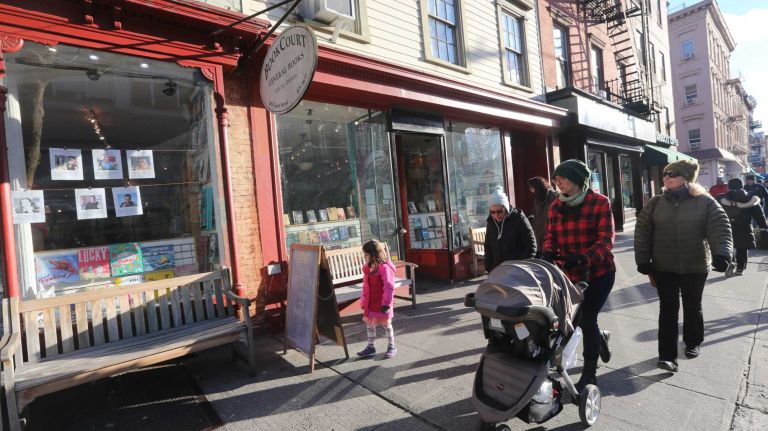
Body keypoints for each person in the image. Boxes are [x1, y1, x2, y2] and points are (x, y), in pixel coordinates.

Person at [634, 160, 732, 372]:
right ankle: (667, 356)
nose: (666, 177)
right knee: (668, 309)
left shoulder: (705, 202)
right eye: (665, 173)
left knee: (692, 305)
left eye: (673, 173)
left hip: (695, 265)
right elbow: (643, 230)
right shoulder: (655, 202)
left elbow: (719, 228)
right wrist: (643, 259)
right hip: (664, 265)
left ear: (687, 177)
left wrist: (722, 253)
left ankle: (693, 342)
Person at [541, 159, 614, 392]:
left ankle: (590, 373)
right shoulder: (555, 206)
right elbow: (550, 235)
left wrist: (584, 258)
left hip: (599, 273)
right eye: (556, 178)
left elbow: (606, 240)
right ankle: (600, 338)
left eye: (562, 177)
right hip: (569, 275)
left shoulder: (600, 203)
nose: (557, 182)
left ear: (578, 180)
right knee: (576, 320)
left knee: (587, 317)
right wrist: (548, 252)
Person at [357, 239, 398, 359]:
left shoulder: (384, 268)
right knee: (369, 324)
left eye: (366, 255)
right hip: (370, 303)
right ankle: (370, 347)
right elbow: (365, 287)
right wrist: (363, 301)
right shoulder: (368, 268)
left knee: (386, 324)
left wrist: (386, 303)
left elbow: (389, 286)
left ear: (374, 254)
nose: (364, 257)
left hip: (382, 304)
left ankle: (392, 346)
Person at [717, 178, 767, 276]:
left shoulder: (722, 197)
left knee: (728, 246)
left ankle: (731, 262)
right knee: (742, 247)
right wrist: (763, 227)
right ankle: (740, 268)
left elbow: (714, 212)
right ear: (742, 186)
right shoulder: (750, 197)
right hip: (744, 225)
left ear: (729, 186)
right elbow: (759, 214)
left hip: (726, 225)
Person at [484, 186, 536, 273]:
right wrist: (489, 266)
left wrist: (522, 266)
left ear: (506, 208)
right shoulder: (491, 222)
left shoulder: (519, 219)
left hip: (517, 270)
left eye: (499, 211)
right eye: (492, 212)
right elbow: (488, 245)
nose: (496, 215)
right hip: (497, 270)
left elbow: (531, 245)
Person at [527, 177, 559, 258]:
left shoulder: (554, 197)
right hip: (539, 235)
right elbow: (537, 216)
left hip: (550, 236)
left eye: (531, 187)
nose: (531, 190)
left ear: (536, 187)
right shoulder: (537, 199)